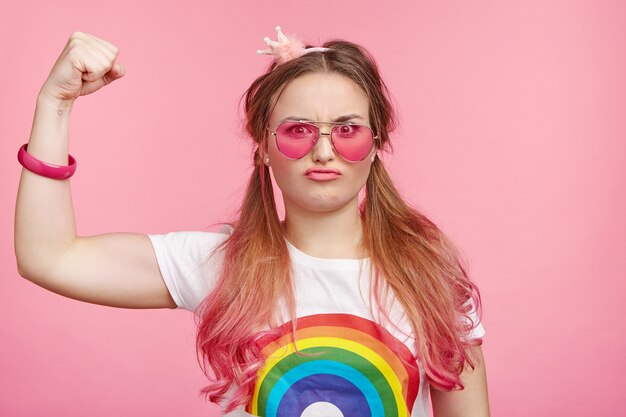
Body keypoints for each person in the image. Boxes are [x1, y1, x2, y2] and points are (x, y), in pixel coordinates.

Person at [15, 26, 490, 417]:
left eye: (347, 130)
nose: (323, 150)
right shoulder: (224, 267)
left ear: (376, 144)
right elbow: (50, 256)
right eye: (297, 130)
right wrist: (55, 104)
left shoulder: (429, 277)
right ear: (263, 147)